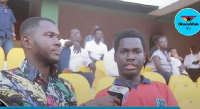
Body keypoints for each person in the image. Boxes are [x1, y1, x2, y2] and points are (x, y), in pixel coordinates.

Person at [0, 17, 120, 106]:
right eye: (50, 35)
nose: (58, 42)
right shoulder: (6, 80)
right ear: (27, 41)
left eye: (58, 37)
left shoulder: (67, 86)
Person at [95, 29, 178, 106]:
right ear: (115, 57)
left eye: (137, 52)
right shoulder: (102, 97)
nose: (130, 57)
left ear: (144, 57)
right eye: (124, 52)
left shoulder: (163, 90)